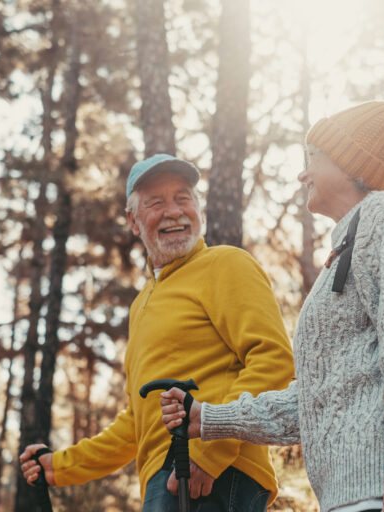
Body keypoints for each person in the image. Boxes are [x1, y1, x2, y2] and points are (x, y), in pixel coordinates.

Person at [160, 101, 384, 512]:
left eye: (313, 159)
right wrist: (211, 419)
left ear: (350, 164)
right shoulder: (344, 251)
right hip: (357, 496)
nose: (303, 173)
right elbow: (318, 399)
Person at [20, 153, 295, 511]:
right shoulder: (142, 304)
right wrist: (59, 466)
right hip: (163, 478)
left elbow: (274, 361)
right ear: (133, 222)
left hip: (218, 473)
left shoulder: (225, 264)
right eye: (156, 202)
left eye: (184, 198)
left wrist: (208, 454)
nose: (174, 211)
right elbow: (138, 419)